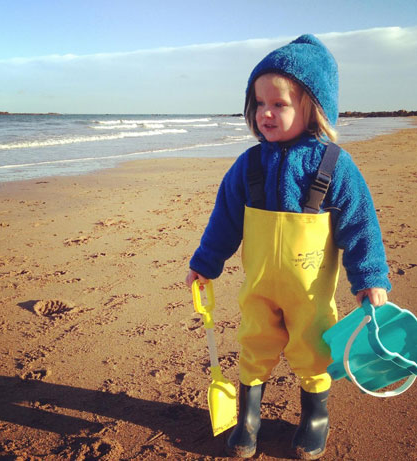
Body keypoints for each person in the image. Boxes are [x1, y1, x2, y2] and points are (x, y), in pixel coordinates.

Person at [185, 34, 390, 460]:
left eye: (279, 104)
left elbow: (360, 226)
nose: (265, 114)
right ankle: (248, 417)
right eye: (259, 104)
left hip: (309, 292)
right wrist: (206, 262)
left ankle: (315, 417)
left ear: (312, 106)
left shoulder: (334, 165)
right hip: (259, 286)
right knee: (254, 343)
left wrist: (369, 278)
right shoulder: (248, 165)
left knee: (313, 350)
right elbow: (224, 220)